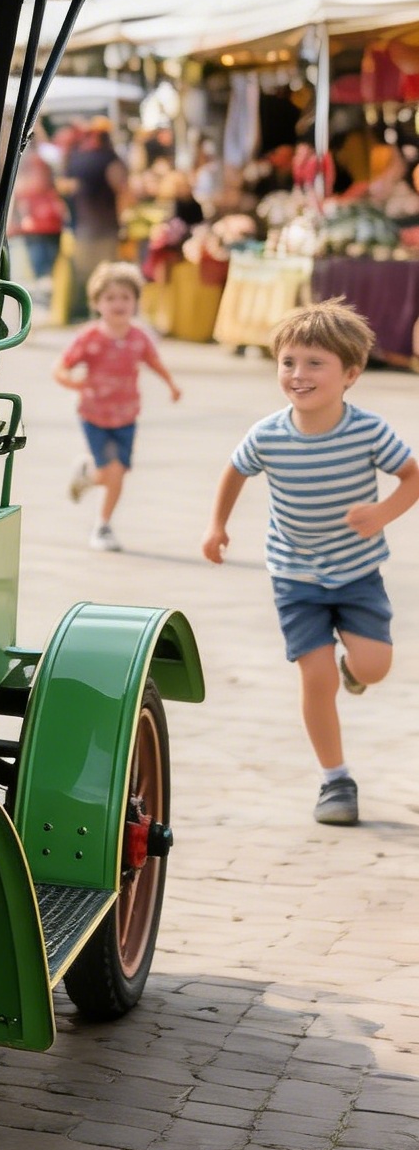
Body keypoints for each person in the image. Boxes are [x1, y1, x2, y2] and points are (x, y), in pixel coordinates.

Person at [203, 300, 419, 828]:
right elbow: (235, 471)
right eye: (288, 362)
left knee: (374, 667)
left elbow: (412, 474)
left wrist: (382, 512)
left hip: (358, 573)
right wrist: (217, 527)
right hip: (294, 577)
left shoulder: (367, 431)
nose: (298, 375)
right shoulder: (269, 434)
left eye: (314, 364)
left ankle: (355, 669)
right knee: (315, 678)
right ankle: (335, 780)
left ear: (351, 373)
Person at [57, 261, 182, 552]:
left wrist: (171, 385)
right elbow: (60, 368)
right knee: (113, 471)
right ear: (97, 303)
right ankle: (102, 527)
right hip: (94, 416)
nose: (119, 303)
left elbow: (153, 361)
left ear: (136, 302)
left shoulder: (139, 338)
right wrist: (73, 384)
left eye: (126, 297)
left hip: (127, 416)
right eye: (111, 298)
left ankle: (88, 477)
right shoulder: (89, 337)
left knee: (115, 473)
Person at [58, 117, 126, 310]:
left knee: (86, 271)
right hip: (103, 225)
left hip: (85, 224)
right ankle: (99, 308)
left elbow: (64, 186)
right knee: (105, 271)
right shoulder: (109, 158)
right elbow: (121, 188)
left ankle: (89, 308)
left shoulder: (77, 157)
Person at [10, 141, 66, 303]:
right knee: (46, 263)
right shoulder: (45, 160)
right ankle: (48, 296)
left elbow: (21, 191)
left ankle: (46, 296)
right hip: (48, 222)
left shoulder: (26, 163)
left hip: (36, 224)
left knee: (41, 264)